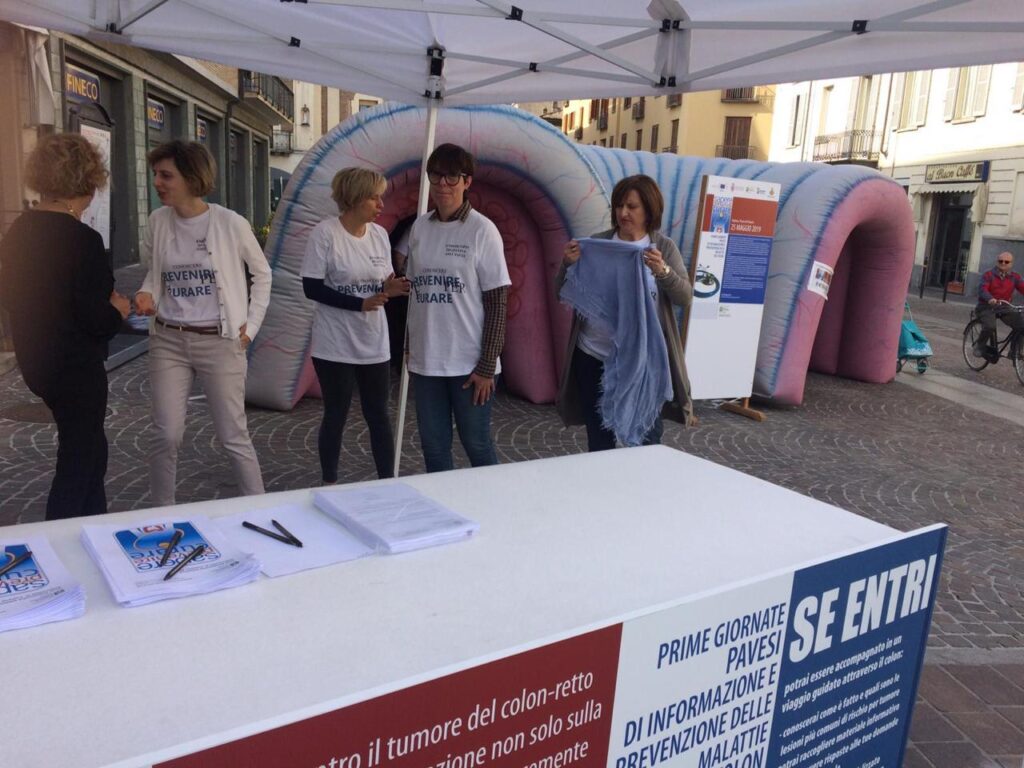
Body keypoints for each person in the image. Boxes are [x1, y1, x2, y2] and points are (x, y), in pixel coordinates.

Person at [134, 140, 271, 507]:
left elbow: (263, 274)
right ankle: (161, 512)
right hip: (168, 339)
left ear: (192, 177)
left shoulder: (230, 223)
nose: (158, 182)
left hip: (220, 341)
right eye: (156, 174)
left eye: (166, 176)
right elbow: (154, 274)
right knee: (166, 433)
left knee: (232, 434)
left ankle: (259, 507)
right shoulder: (157, 222)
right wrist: (146, 293)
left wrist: (250, 327)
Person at [0, 133, 130, 519]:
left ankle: (93, 526)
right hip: (76, 367)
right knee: (78, 460)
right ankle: (58, 536)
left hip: (37, 360)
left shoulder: (19, 230)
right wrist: (119, 309)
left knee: (91, 449)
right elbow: (96, 319)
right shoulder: (83, 239)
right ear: (86, 181)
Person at [556, 174, 693, 451]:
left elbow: (685, 297)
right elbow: (562, 291)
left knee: (647, 441)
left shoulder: (663, 247)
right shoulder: (598, 244)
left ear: (649, 210)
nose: (623, 213)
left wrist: (663, 271)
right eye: (619, 205)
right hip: (594, 355)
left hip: (643, 359)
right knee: (599, 441)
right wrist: (567, 265)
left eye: (632, 206)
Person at [405, 143, 511, 473]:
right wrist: (409, 347)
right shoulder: (420, 228)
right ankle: (443, 503)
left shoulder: (482, 230)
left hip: (469, 364)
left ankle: (493, 500)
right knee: (433, 447)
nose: (443, 184)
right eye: (436, 176)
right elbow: (415, 292)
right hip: (427, 362)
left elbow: (497, 301)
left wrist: (487, 365)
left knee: (476, 443)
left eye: (452, 177)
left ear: (467, 182)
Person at [301, 168, 410, 483]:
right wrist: (359, 304)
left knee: (379, 415)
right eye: (374, 198)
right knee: (336, 413)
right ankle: (329, 481)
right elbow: (312, 288)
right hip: (334, 343)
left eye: (381, 198)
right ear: (354, 198)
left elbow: (383, 282)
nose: (381, 205)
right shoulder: (326, 234)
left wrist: (392, 288)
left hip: (374, 342)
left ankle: (388, 482)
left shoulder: (379, 235)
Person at [973, 251, 1024, 360]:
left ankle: (1014, 352)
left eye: (1006, 262)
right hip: (986, 306)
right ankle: (980, 345)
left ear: (1011, 263)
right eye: (1001, 261)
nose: (1003, 263)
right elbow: (982, 289)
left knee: (1021, 325)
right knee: (990, 326)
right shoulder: (988, 275)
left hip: (1003, 307)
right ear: (997, 262)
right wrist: (990, 298)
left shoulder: (1014, 277)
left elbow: (1022, 287)